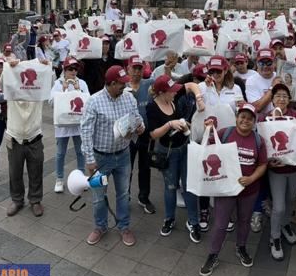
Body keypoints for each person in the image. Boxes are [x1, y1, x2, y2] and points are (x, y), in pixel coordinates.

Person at [80, 65, 146, 246]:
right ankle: (99, 226)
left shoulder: (128, 98)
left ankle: (124, 227)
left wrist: (141, 127)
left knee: (123, 194)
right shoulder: (93, 101)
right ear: (110, 83)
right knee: (98, 196)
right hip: (100, 159)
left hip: (123, 155)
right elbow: (85, 131)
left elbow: (137, 118)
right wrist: (90, 159)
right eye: (120, 84)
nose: (124, 87)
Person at [200, 102, 268, 275]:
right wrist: (208, 129)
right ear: (237, 117)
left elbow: (262, 164)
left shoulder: (258, 140)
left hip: (249, 190)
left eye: (250, 118)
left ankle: (241, 247)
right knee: (221, 224)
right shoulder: (225, 133)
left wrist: (251, 178)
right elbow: (207, 149)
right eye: (242, 116)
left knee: (244, 221)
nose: (245, 120)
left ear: (254, 121)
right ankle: (213, 254)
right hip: (226, 189)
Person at [148, 75, 204, 242]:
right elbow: (153, 134)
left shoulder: (174, 96)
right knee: (170, 186)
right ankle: (169, 218)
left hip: (184, 147)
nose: (174, 94)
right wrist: (169, 125)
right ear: (161, 92)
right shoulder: (152, 107)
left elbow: (192, 85)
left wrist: (199, 98)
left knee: (189, 186)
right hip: (167, 151)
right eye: (171, 92)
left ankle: (193, 222)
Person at [1, 57, 51, 218]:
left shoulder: (37, 92)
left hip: (34, 137)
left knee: (36, 171)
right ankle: (17, 200)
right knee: (15, 172)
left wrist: (47, 66)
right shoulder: (12, 93)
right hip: (15, 138)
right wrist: (9, 67)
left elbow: (51, 82)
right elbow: (3, 82)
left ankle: (35, 200)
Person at [262, 83, 296, 261]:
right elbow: (263, 144)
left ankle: (285, 225)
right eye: (278, 96)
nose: (281, 99)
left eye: (285, 96)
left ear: (289, 99)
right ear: (272, 100)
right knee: (278, 206)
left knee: (289, 200)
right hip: (277, 170)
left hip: (295, 168)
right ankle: (275, 236)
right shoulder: (266, 119)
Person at [51, 57, 89, 193]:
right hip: (63, 125)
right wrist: (62, 91)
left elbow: (89, 101)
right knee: (61, 153)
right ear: (64, 70)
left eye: (75, 69)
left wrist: (80, 91)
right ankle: (59, 179)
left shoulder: (82, 83)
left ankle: (81, 178)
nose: (73, 71)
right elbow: (50, 102)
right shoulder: (57, 84)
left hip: (78, 124)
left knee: (80, 151)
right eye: (70, 69)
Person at [124, 56, 157, 216]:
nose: (137, 71)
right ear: (128, 68)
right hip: (127, 136)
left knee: (145, 168)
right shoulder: (122, 86)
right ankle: (125, 197)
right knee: (126, 168)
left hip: (146, 135)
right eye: (134, 68)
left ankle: (144, 197)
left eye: (139, 68)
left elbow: (166, 83)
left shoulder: (149, 84)